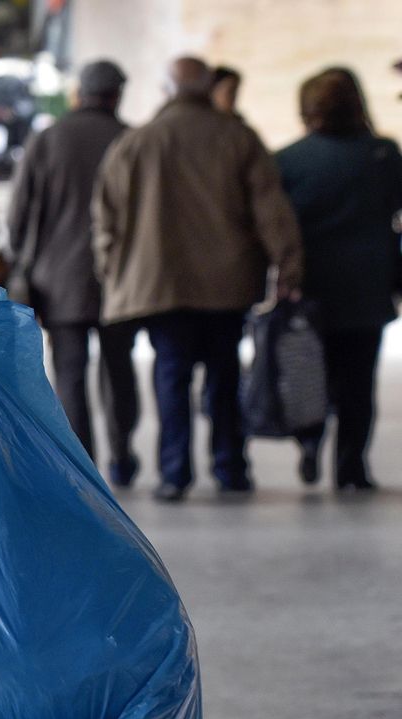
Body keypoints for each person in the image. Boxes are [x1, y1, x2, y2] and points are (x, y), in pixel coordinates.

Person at [93, 57, 303, 503]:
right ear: (209, 87)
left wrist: (115, 272)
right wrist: (287, 265)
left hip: (160, 286)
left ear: (167, 89)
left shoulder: (136, 144)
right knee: (225, 375)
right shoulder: (237, 138)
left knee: (170, 377)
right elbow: (271, 210)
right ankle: (230, 468)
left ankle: (175, 473)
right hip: (228, 284)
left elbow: (106, 222)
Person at [7, 60, 140, 484]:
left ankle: (84, 466)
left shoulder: (48, 140)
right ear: (117, 95)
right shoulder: (131, 140)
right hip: (122, 278)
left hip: (58, 278)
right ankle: (122, 454)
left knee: (70, 371)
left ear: (79, 93)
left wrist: (22, 260)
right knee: (119, 368)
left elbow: (18, 215)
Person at [276, 68, 402, 491]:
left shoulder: (288, 160)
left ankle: (309, 443)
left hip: (310, 286)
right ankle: (351, 468)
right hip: (369, 285)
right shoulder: (383, 155)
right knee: (357, 383)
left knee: (310, 373)